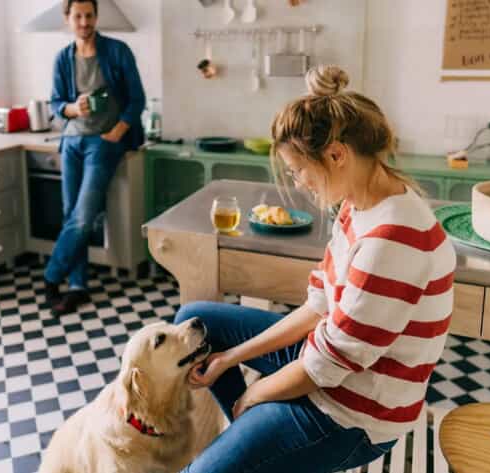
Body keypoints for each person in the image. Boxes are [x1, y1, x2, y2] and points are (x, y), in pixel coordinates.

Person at [174, 65, 457, 472]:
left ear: (336, 155)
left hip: (352, 415)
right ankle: (248, 446)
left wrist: (253, 398)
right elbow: (320, 306)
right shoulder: (359, 204)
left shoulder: (392, 241)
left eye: (298, 170)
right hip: (329, 365)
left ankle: (247, 444)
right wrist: (229, 357)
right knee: (195, 323)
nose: (300, 182)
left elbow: (324, 367)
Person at [44, 0, 146, 316]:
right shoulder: (63, 58)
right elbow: (56, 103)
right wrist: (74, 108)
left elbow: (136, 98)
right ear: (68, 20)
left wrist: (118, 131)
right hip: (72, 140)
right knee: (70, 213)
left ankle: (51, 275)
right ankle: (78, 286)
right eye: (78, 16)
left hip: (103, 142)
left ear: (96, 17)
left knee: (84, 215)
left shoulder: (117, 51)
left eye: (89, 15)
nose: (84, 21)